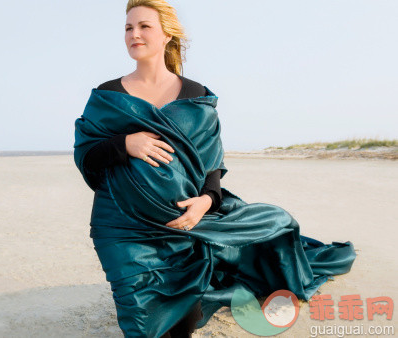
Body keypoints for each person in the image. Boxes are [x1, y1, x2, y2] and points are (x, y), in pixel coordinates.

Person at [73, 1, 357, 337]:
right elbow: (87, 157)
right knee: (144, 327)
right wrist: (125, 144)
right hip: (123, 229)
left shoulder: (196, 95)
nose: (134, 34)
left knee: (184, 321)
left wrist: (206, 202)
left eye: (144, 26)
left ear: (167, 35)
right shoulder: (107, 96)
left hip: (184, 230)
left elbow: (212, 169)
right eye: (128, 28)